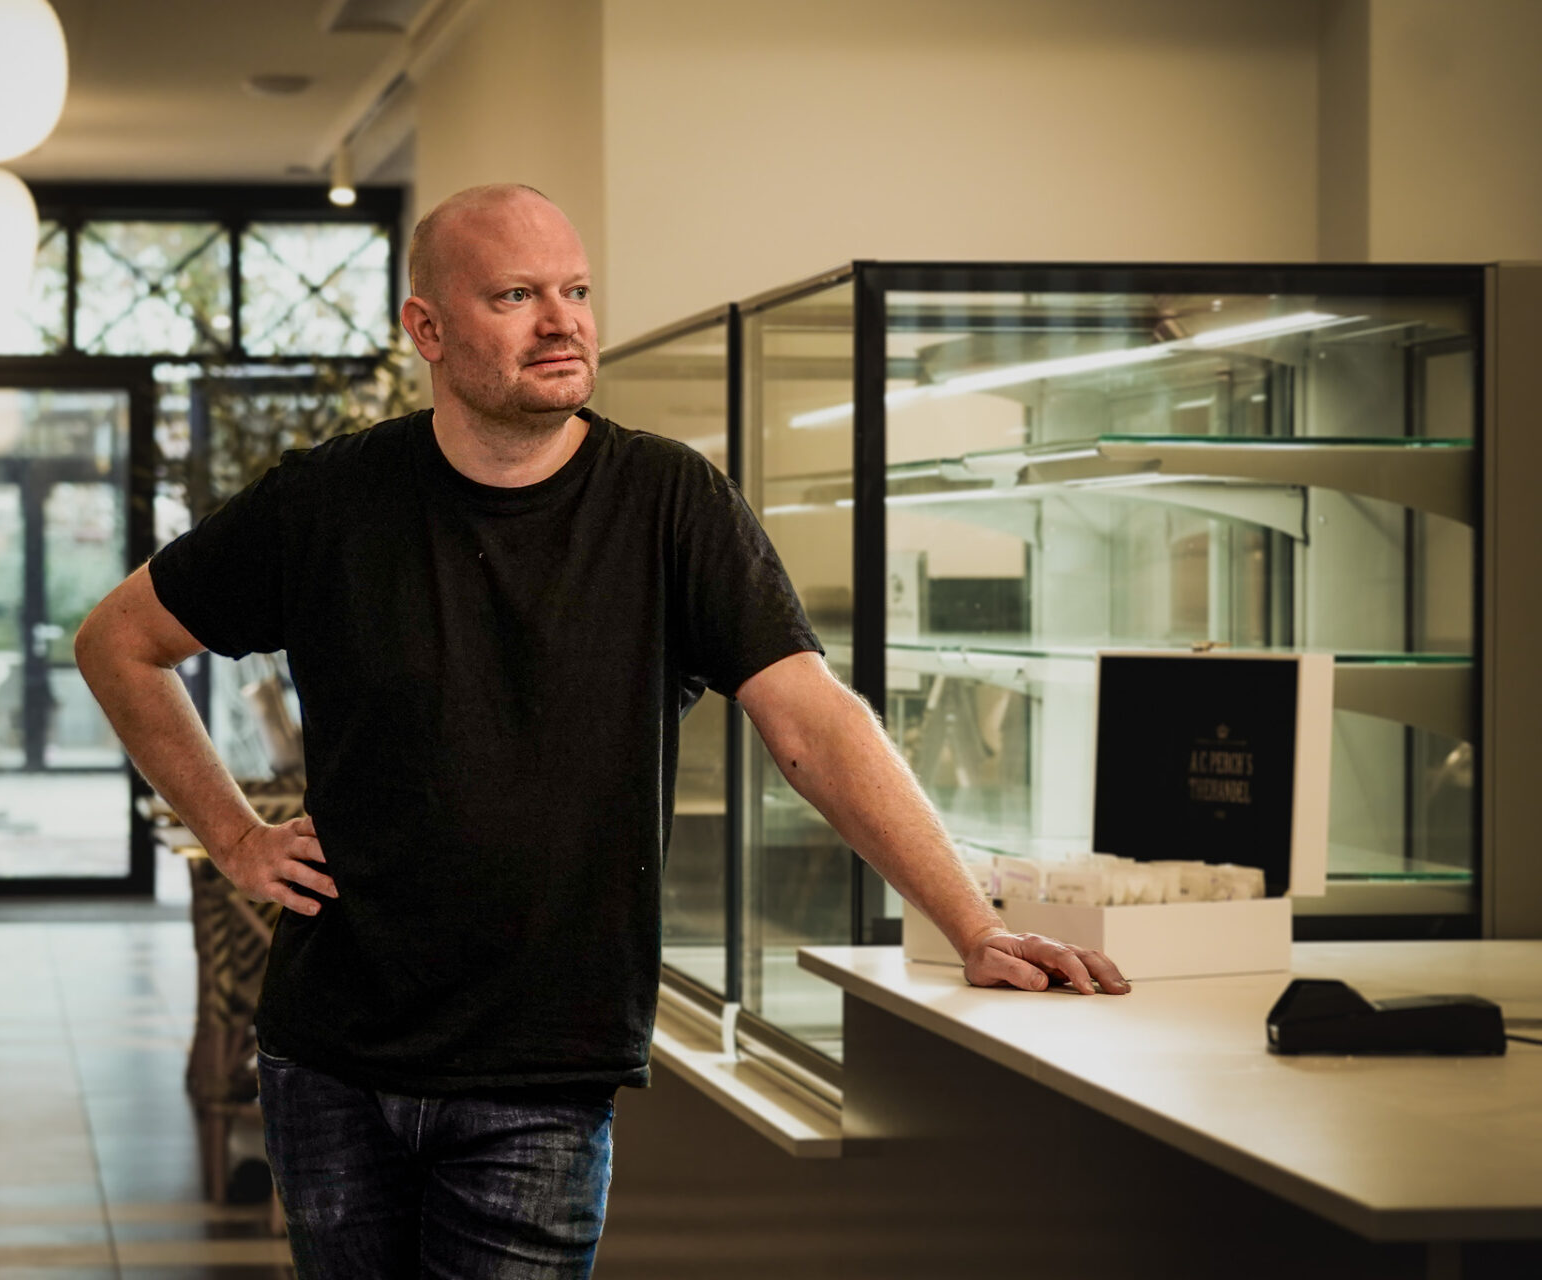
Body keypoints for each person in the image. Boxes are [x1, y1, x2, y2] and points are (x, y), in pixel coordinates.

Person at [74, 183, 1129, 1279]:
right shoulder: (328, 501)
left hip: (539, 1073)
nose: (563, 319)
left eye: (575, 289)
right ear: (427, 329)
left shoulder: (672, 503)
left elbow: (813, 722)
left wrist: (971, 919)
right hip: (330, 1058)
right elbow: (118, 640)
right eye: (517, 294)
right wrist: (237, 835)